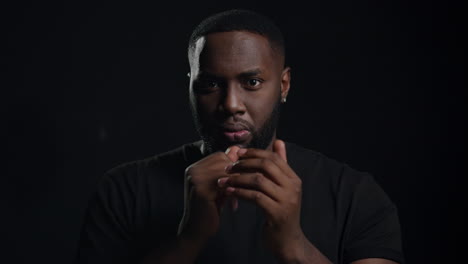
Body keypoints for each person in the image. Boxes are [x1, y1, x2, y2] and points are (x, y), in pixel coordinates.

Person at [76, 9, 404, 264]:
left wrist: (294, 246)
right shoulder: (124, 191)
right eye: (211, 84)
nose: (231, 105)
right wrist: (188, 240)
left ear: (284, 85)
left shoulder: (356, 196)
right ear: (190, 88)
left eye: (252, 83)